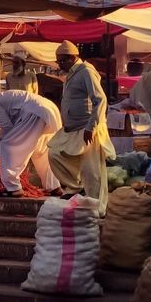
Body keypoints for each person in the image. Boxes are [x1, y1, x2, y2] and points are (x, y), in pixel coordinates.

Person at [47, 40, 115, 208]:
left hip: (87, 128)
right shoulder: (71, 73)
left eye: (62, 61)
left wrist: (90, 127)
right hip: (72, 129)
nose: (60, 64)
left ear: (72, 58)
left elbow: (100, 100)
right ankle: (74, 188)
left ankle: (97, 208)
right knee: (55, 154)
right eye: (58, 61)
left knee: (91, 170)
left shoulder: (86, 71)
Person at [0, 89, 63, 197]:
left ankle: (13, 187)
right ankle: (54, 186)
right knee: (40, 152)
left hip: (34, 112)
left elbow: (6, 126)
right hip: (48, 109)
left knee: (8, 145)